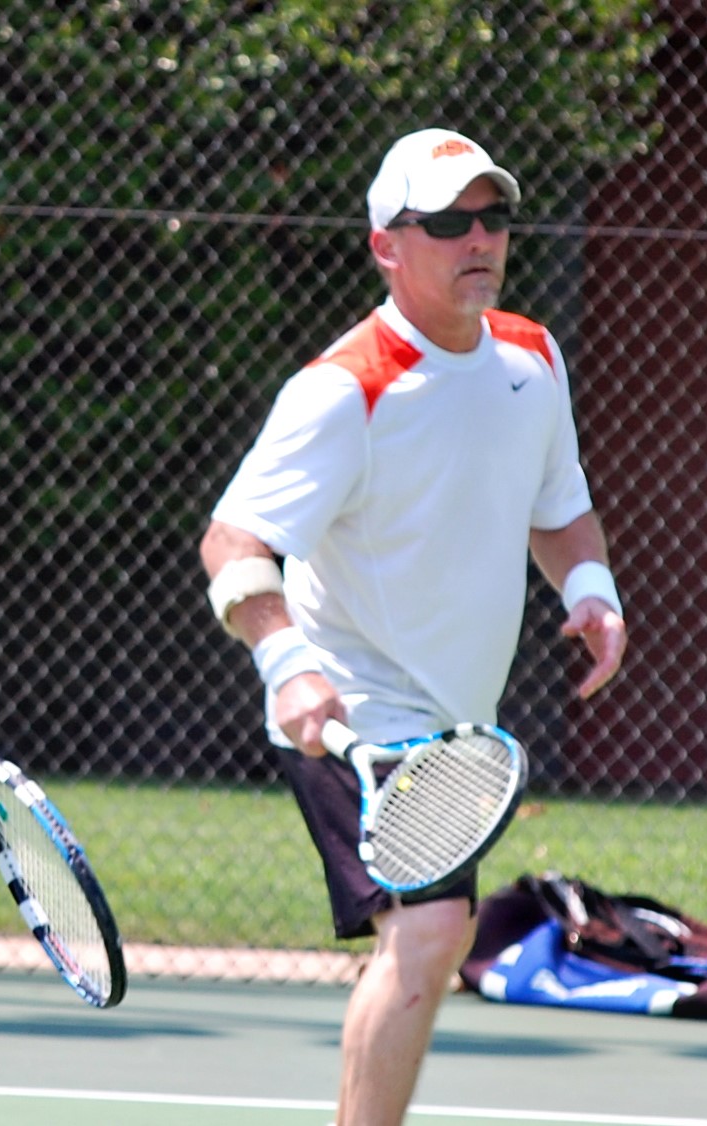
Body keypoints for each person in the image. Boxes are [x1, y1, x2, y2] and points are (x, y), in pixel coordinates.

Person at [196, 128, 629, 1126]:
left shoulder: (531, 354)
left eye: (492, 217)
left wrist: (591, 590)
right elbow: (233, 541)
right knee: (432, 933)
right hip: (355, 705)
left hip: (456, 729)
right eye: (444, 222)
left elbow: (557, 505)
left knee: (427, 943)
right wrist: (288, 666)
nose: (477, 238)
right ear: (385, 245)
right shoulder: (343, 388)